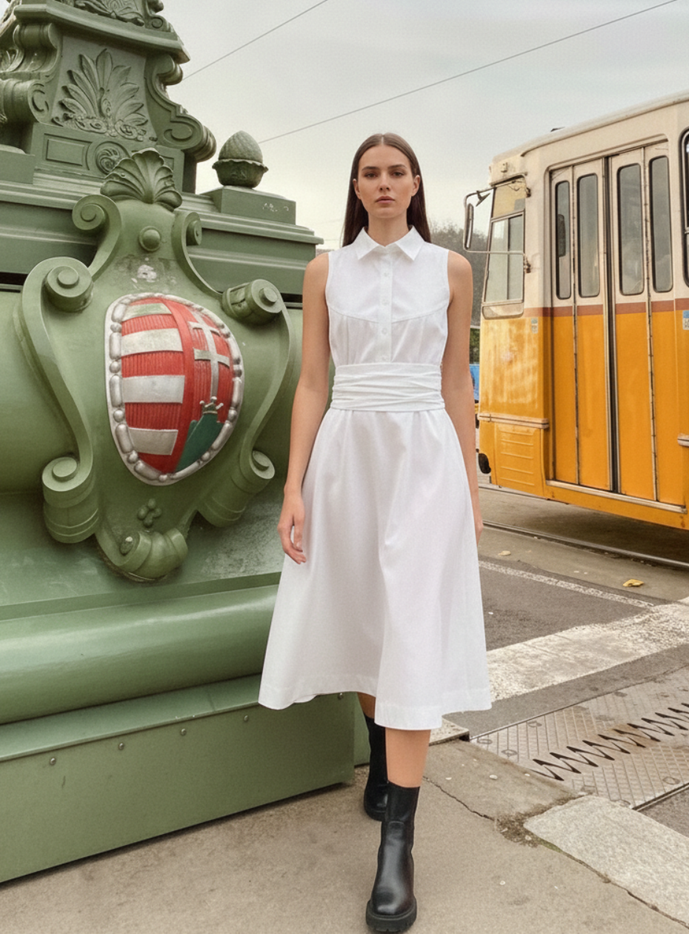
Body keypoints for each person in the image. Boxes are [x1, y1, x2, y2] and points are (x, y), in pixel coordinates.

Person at [258, 133, 491, 932]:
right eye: (370, 173)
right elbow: (312, 380)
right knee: (362, 615)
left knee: (413, 629)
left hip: (424, 457)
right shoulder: (327, 270)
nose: (384, 183)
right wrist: (293, 485)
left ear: (416, 182)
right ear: (356, 188)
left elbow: (456, 383)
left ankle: (398, 847)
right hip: (347, 454)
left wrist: (470, 484)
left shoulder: (451, 269)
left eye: (397, 172)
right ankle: (379, 749)